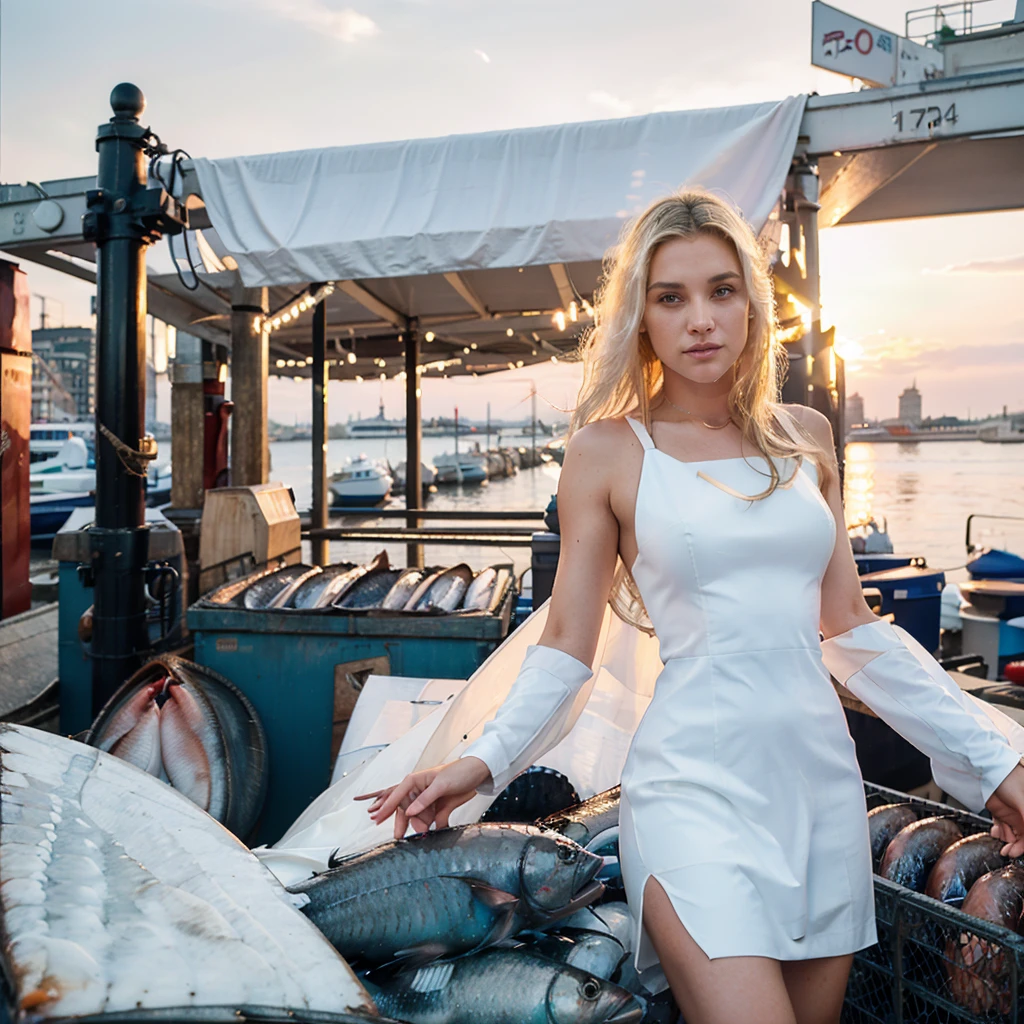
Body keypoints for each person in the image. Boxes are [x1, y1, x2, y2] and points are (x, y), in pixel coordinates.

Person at [356, 190, 1024, 1024]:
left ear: (753, 304)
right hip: (690, 794)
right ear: (642, 319)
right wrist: (482, 762)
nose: (700, 319)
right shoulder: (607, 451)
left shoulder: (808, 437)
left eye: (721, 290)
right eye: (671, 298)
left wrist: (995, 763)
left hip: (821, 791)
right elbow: (567, 646)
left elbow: (852, 632)